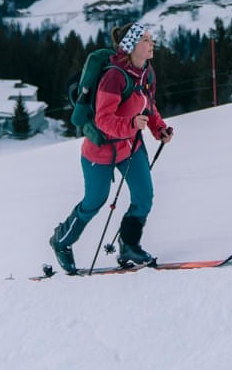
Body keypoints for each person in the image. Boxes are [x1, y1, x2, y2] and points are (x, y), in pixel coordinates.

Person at [49, 21, 174, 274]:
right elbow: (103, 121)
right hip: (101, 150)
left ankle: (129, 246)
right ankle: (61, 241)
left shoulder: (146, 72)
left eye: (150, 39)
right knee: (94, 202)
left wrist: (158, 128)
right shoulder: (113, 77)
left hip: (131, 147)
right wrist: (130, 124)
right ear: (131, 46)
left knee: (143, 197)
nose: (152, 43)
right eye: (146, 40)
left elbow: (147, 106)